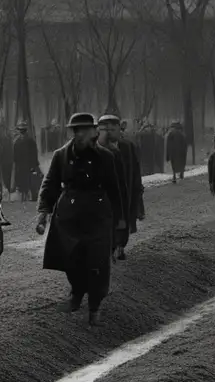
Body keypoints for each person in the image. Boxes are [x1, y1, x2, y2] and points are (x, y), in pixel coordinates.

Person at [35, 112, 125, 326]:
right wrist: (43, 213)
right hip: (69, 217)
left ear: (94, 132)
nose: (80, 134)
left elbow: (115, 190)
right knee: (71, 259)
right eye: (77, 130)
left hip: (98, 216)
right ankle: (76, 294)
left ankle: (94, 307)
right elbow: (50, 184)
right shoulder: (61, 156)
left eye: (85, 130)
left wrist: (120, 220)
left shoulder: (106, 157)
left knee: (97, 264)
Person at [97, 115, 144, 259]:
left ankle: (120, 246)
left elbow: (135, 170)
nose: (109, 132)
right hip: (104, 194)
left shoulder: (128, 147)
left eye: (113, 129)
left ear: (119, 129)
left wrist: (137, 190)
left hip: (125, 191)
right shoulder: (96, 149)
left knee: (124, 219)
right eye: (105, 129)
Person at [12, 122, 39, 202]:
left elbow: (34, 154)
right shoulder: (18, 142)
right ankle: (25, 196)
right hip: (23, 166)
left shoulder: (27, 141)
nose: (22, 132)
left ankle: (29, 196)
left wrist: (34, 165)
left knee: (30, 181)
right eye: (21, 131)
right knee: (24, 181)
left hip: (27, 165)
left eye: (22, 131)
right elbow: (15, 156)